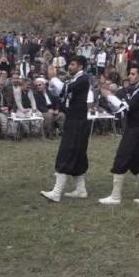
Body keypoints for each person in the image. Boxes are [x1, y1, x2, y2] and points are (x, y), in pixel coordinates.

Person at [98, 65, 139, 205]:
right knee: (138, 163)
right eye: (130, 73)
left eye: (133, 74)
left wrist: (109, 95)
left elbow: (125, 107)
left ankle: (115, 197)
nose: (130, 76)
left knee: (121, 158)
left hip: (135, 131)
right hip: (136, 129)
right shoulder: (135, 89)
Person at [41, 55, 91, 202]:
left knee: (66, 153)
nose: (70, 67)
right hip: (74, 120)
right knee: (78, 154)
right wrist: (52, 80)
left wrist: (54, 77)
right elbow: (61, 94)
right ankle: (81, 190)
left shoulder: (83, 79)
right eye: (70, 64)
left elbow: (65, 89)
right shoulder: (75, 79)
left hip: (77, 122)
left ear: (81, 66)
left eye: (73, 64)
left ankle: (56, 193)